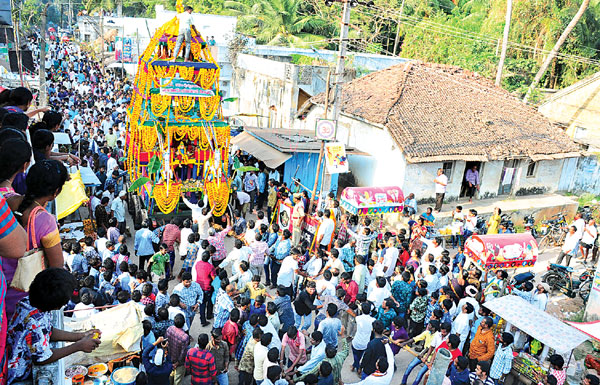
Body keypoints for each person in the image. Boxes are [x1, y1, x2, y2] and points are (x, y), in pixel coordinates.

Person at [6, 269, 101, 384]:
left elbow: (48, 331)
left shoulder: (31, 302)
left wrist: (81, 336)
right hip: (17, 374)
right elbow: (42, 358)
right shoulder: (35, 323)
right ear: (57, 306)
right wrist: (78, 346)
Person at [5, 160, 68, 319]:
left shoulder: (6, 200)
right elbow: (57, 266)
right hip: (21, 301)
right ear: (55, 193)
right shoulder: (46, 221)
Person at [166, 314, 190, 385]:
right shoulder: (184, 337)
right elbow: (183, 352)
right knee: (178, 380)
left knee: (170, 375)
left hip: (170, 358)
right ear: (184, 323)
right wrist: (178, 363)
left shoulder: (169, 329)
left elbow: (167, 343)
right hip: (179, 362)